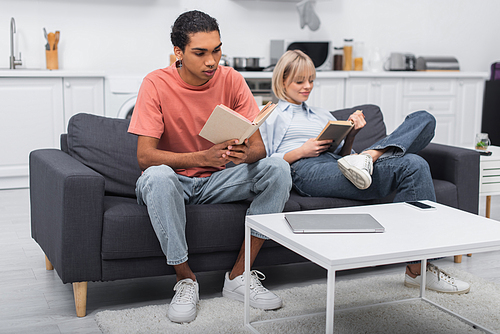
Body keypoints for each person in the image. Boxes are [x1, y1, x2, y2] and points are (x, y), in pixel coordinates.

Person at [260, 50, 470, 295]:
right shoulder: (271, 114)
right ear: (282, 81)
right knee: (411, 163)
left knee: (420, 138)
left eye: (312, 80)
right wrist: (301, 151)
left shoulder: (321, 114)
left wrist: (351, 134)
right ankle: (419, 270)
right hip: (305, 170)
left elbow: (341, 155)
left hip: (342, 163)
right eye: (300, 81)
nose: (308, 86)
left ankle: (370, 155)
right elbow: (265, 162)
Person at [128, 10, 292, 323]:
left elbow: (260, 148)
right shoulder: (155, 83)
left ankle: (238, 277)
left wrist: (242, 155)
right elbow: (145, 157)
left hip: (219, 181)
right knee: (158, 176)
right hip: (172, 182)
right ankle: (185, 280)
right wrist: (202, 158)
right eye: (200, 53)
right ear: (178, 52)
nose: (211, 61)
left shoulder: (231, 79)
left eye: (217, 50)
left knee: (278, 168)